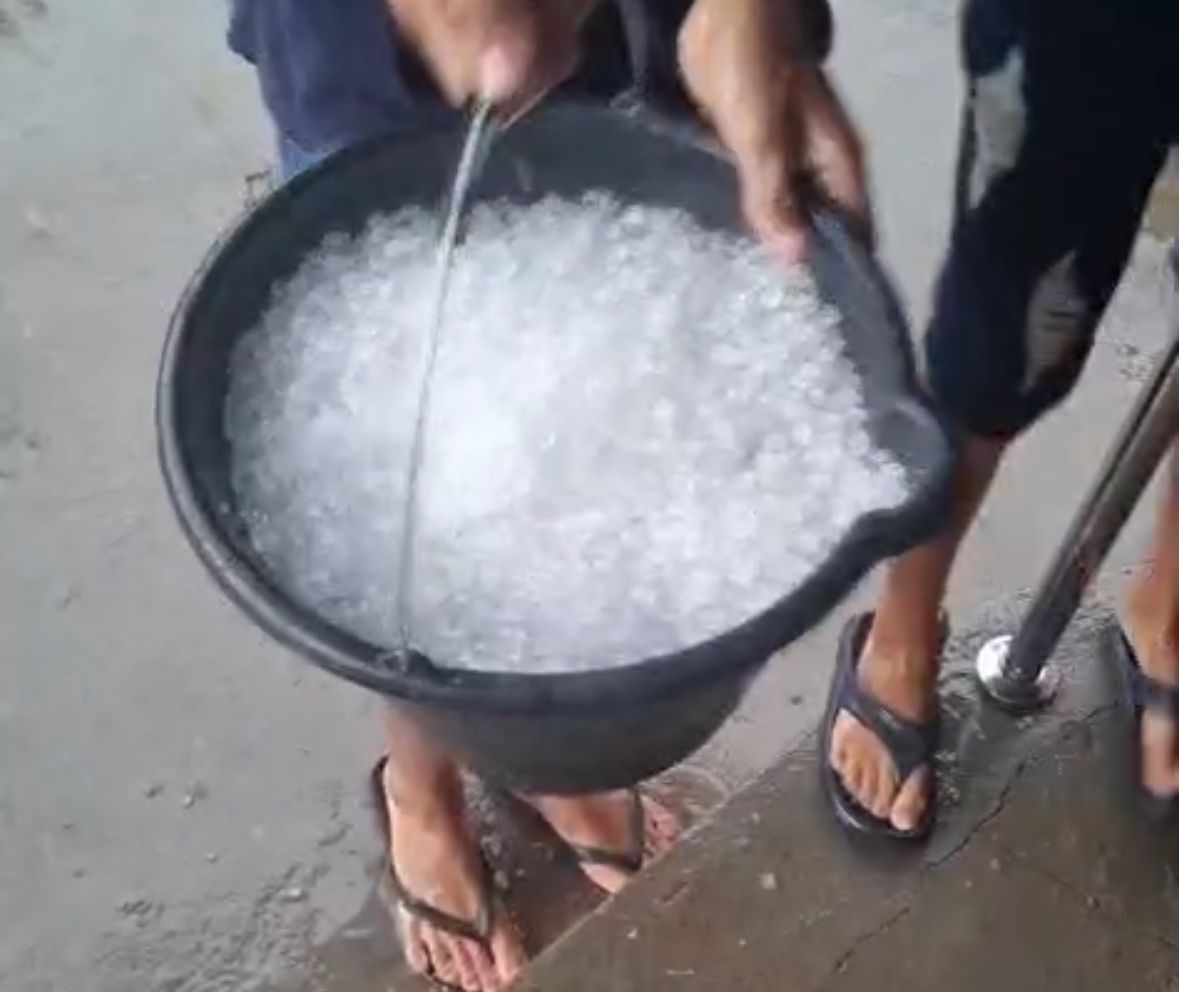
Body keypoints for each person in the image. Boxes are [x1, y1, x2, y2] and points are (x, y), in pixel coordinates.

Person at [226, 1, 868, 990]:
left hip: (607, 27)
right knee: (407, 460)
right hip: (357, 44)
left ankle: (545, 760)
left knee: (590, 378)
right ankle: (421, 792)